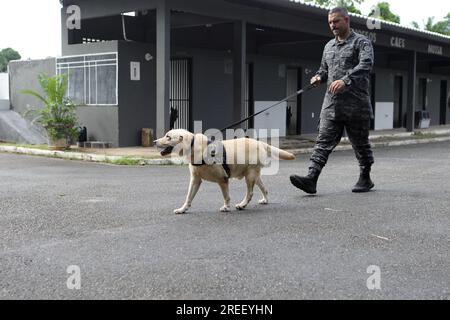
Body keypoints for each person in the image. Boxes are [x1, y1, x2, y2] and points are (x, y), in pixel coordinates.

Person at [290, 7, 375, 194]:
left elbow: (366, 65)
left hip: (356, 106)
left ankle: (365, 177)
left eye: (336, 21)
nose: (333, 25)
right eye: (330, 22)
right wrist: (319, 77)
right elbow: (324, 70)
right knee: (322, 142)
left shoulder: (361, 43)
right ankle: (311, 178)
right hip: (331, 105)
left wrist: (346, 80)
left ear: (346, 19)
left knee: (360, 144)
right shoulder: (328, 46)